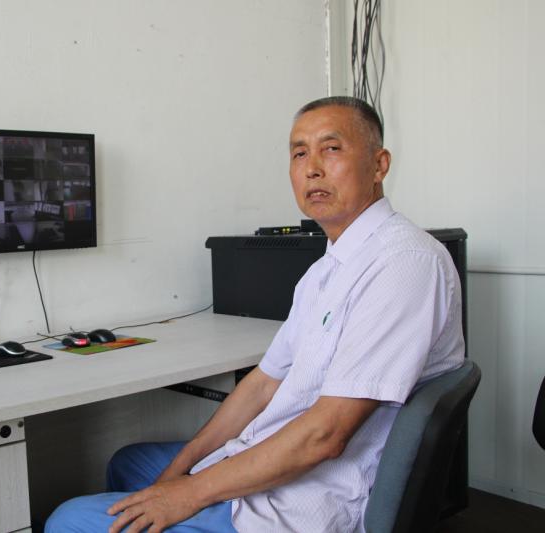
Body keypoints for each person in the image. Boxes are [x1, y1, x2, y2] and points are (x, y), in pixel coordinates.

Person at [45, 96, 465, 532]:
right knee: (129, 463)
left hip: (309, 500)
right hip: (271, 452)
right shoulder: (326, 269)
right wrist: (179, 472)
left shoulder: (404, 263)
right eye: (299, 153)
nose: (312, 168)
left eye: (331, 148)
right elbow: (262, 385)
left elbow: (325, 435)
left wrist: (188, 493)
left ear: (379, 165)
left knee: (67, 520)